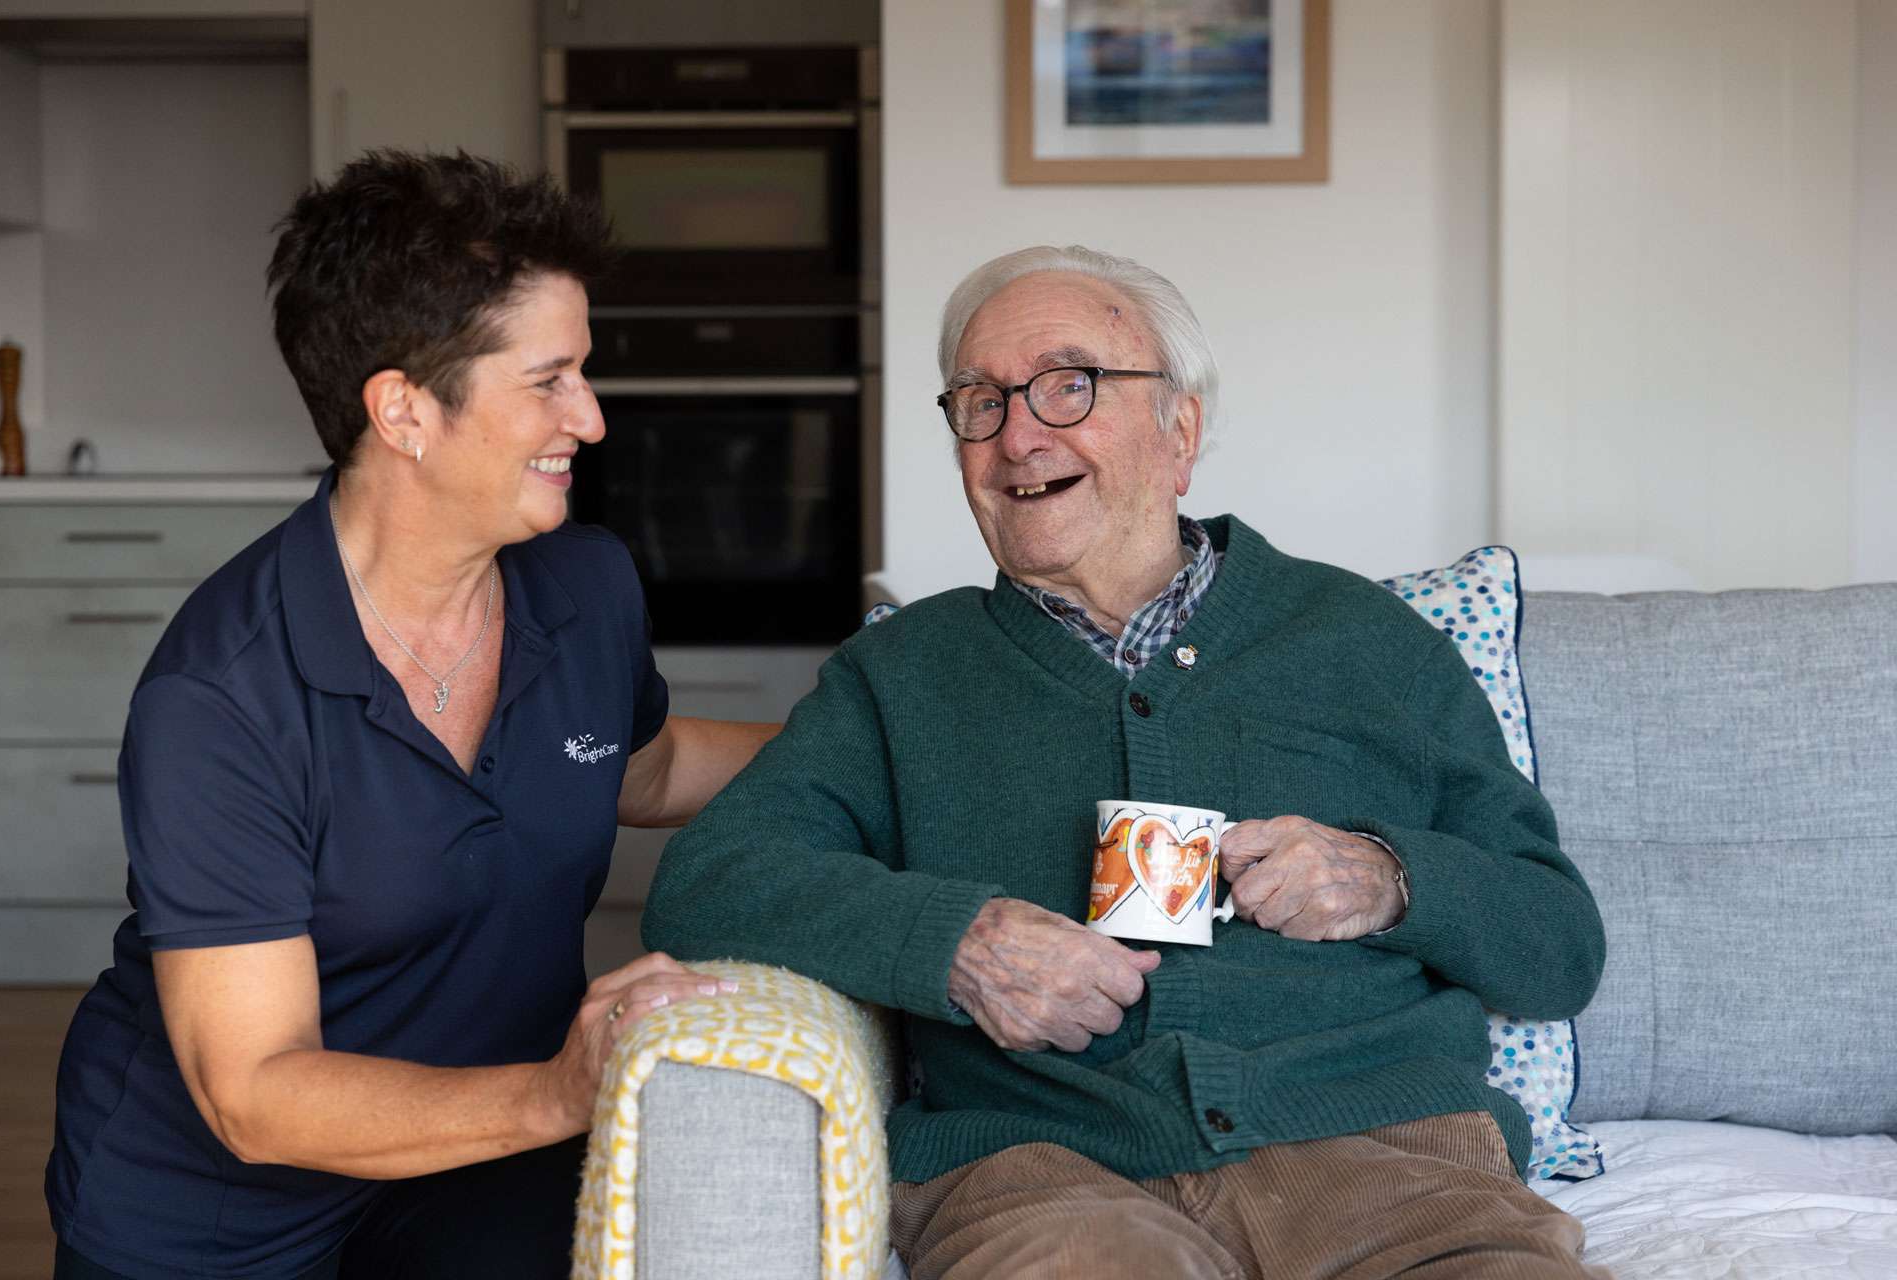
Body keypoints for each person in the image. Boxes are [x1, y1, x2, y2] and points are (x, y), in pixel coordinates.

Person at [643, 245, 1611, 1278]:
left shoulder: (1366, 640)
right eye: (981, 399)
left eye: (1070, 386)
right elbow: (710, 884)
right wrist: (955, 942)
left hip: (1392, 1174)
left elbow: (1558, 946)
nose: (1018, 434)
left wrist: (1390, 877)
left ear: (1180, 427)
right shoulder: (903, 673)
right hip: (1047, 1176)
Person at [44, 151, 779, 1280]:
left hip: (478, 1166)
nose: (589, 415)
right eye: (549, 379)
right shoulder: (223, 694)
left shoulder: (582, 587)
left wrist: (869, 747)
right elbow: (255, 1091)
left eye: (585, 370)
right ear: (404, 412)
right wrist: (558, 1089)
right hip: (218, 1218)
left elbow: (639, 765)